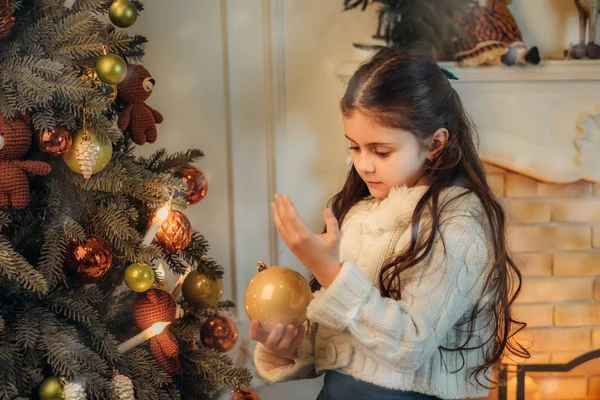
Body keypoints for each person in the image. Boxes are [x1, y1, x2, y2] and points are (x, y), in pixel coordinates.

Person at [249, 47, 529, 400]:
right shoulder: (357, 214)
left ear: (435, 144)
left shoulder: (458, 225)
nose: (364, 165)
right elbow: (345, 342)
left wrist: (330, 274)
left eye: (381, 152)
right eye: (354, 148)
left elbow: (410, 344)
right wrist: (289, 347)